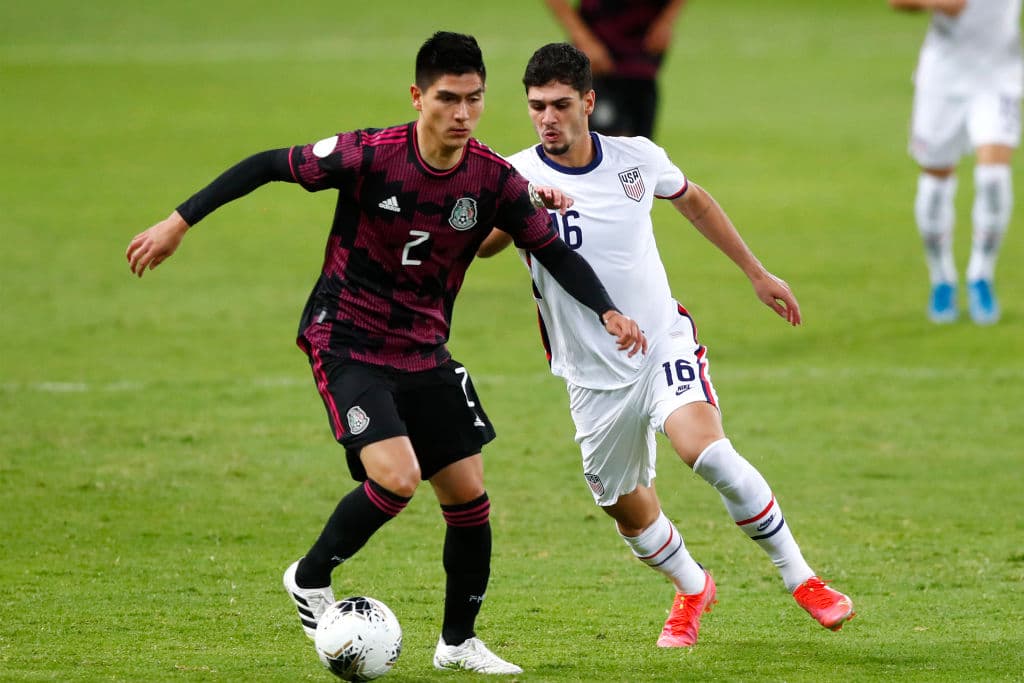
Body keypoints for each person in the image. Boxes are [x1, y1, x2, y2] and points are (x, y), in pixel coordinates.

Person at [125, 31, 644, 675]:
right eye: (447, 99)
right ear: (417, 96)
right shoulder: (369, 155)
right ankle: (309, 577)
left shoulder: (492, 179)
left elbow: (554, 251)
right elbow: (266, 164)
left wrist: (610, 311)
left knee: (468, 496)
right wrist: (179, 222)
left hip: (423, 349)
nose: (461, 114)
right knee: (396, 478)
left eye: (474, 100)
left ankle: (457, 645)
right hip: (347, 338)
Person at [477, 43, 854, 648]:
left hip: (659, 343)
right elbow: (484, 246)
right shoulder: (513, 174)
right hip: (590, 374)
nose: (548, 118)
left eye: (561, 105)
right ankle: (692, 586)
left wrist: (757, 273)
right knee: (623, 507)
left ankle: (803, 579)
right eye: (536, 106)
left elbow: (696, 202)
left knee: (704, 451)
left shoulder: (636, 160)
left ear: (589, 103)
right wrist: (520, 205)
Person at [890, 0, 1021, 324]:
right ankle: (942, 279)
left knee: (994, 177)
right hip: (943, 79)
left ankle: (981, 275)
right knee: (935, 182)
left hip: (999, 76)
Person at [543, 0, 687, 139]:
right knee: (609, 144)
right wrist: (583, 39)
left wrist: (666, 21)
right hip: (599, 56)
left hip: (643, 60)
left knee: (640, 148)